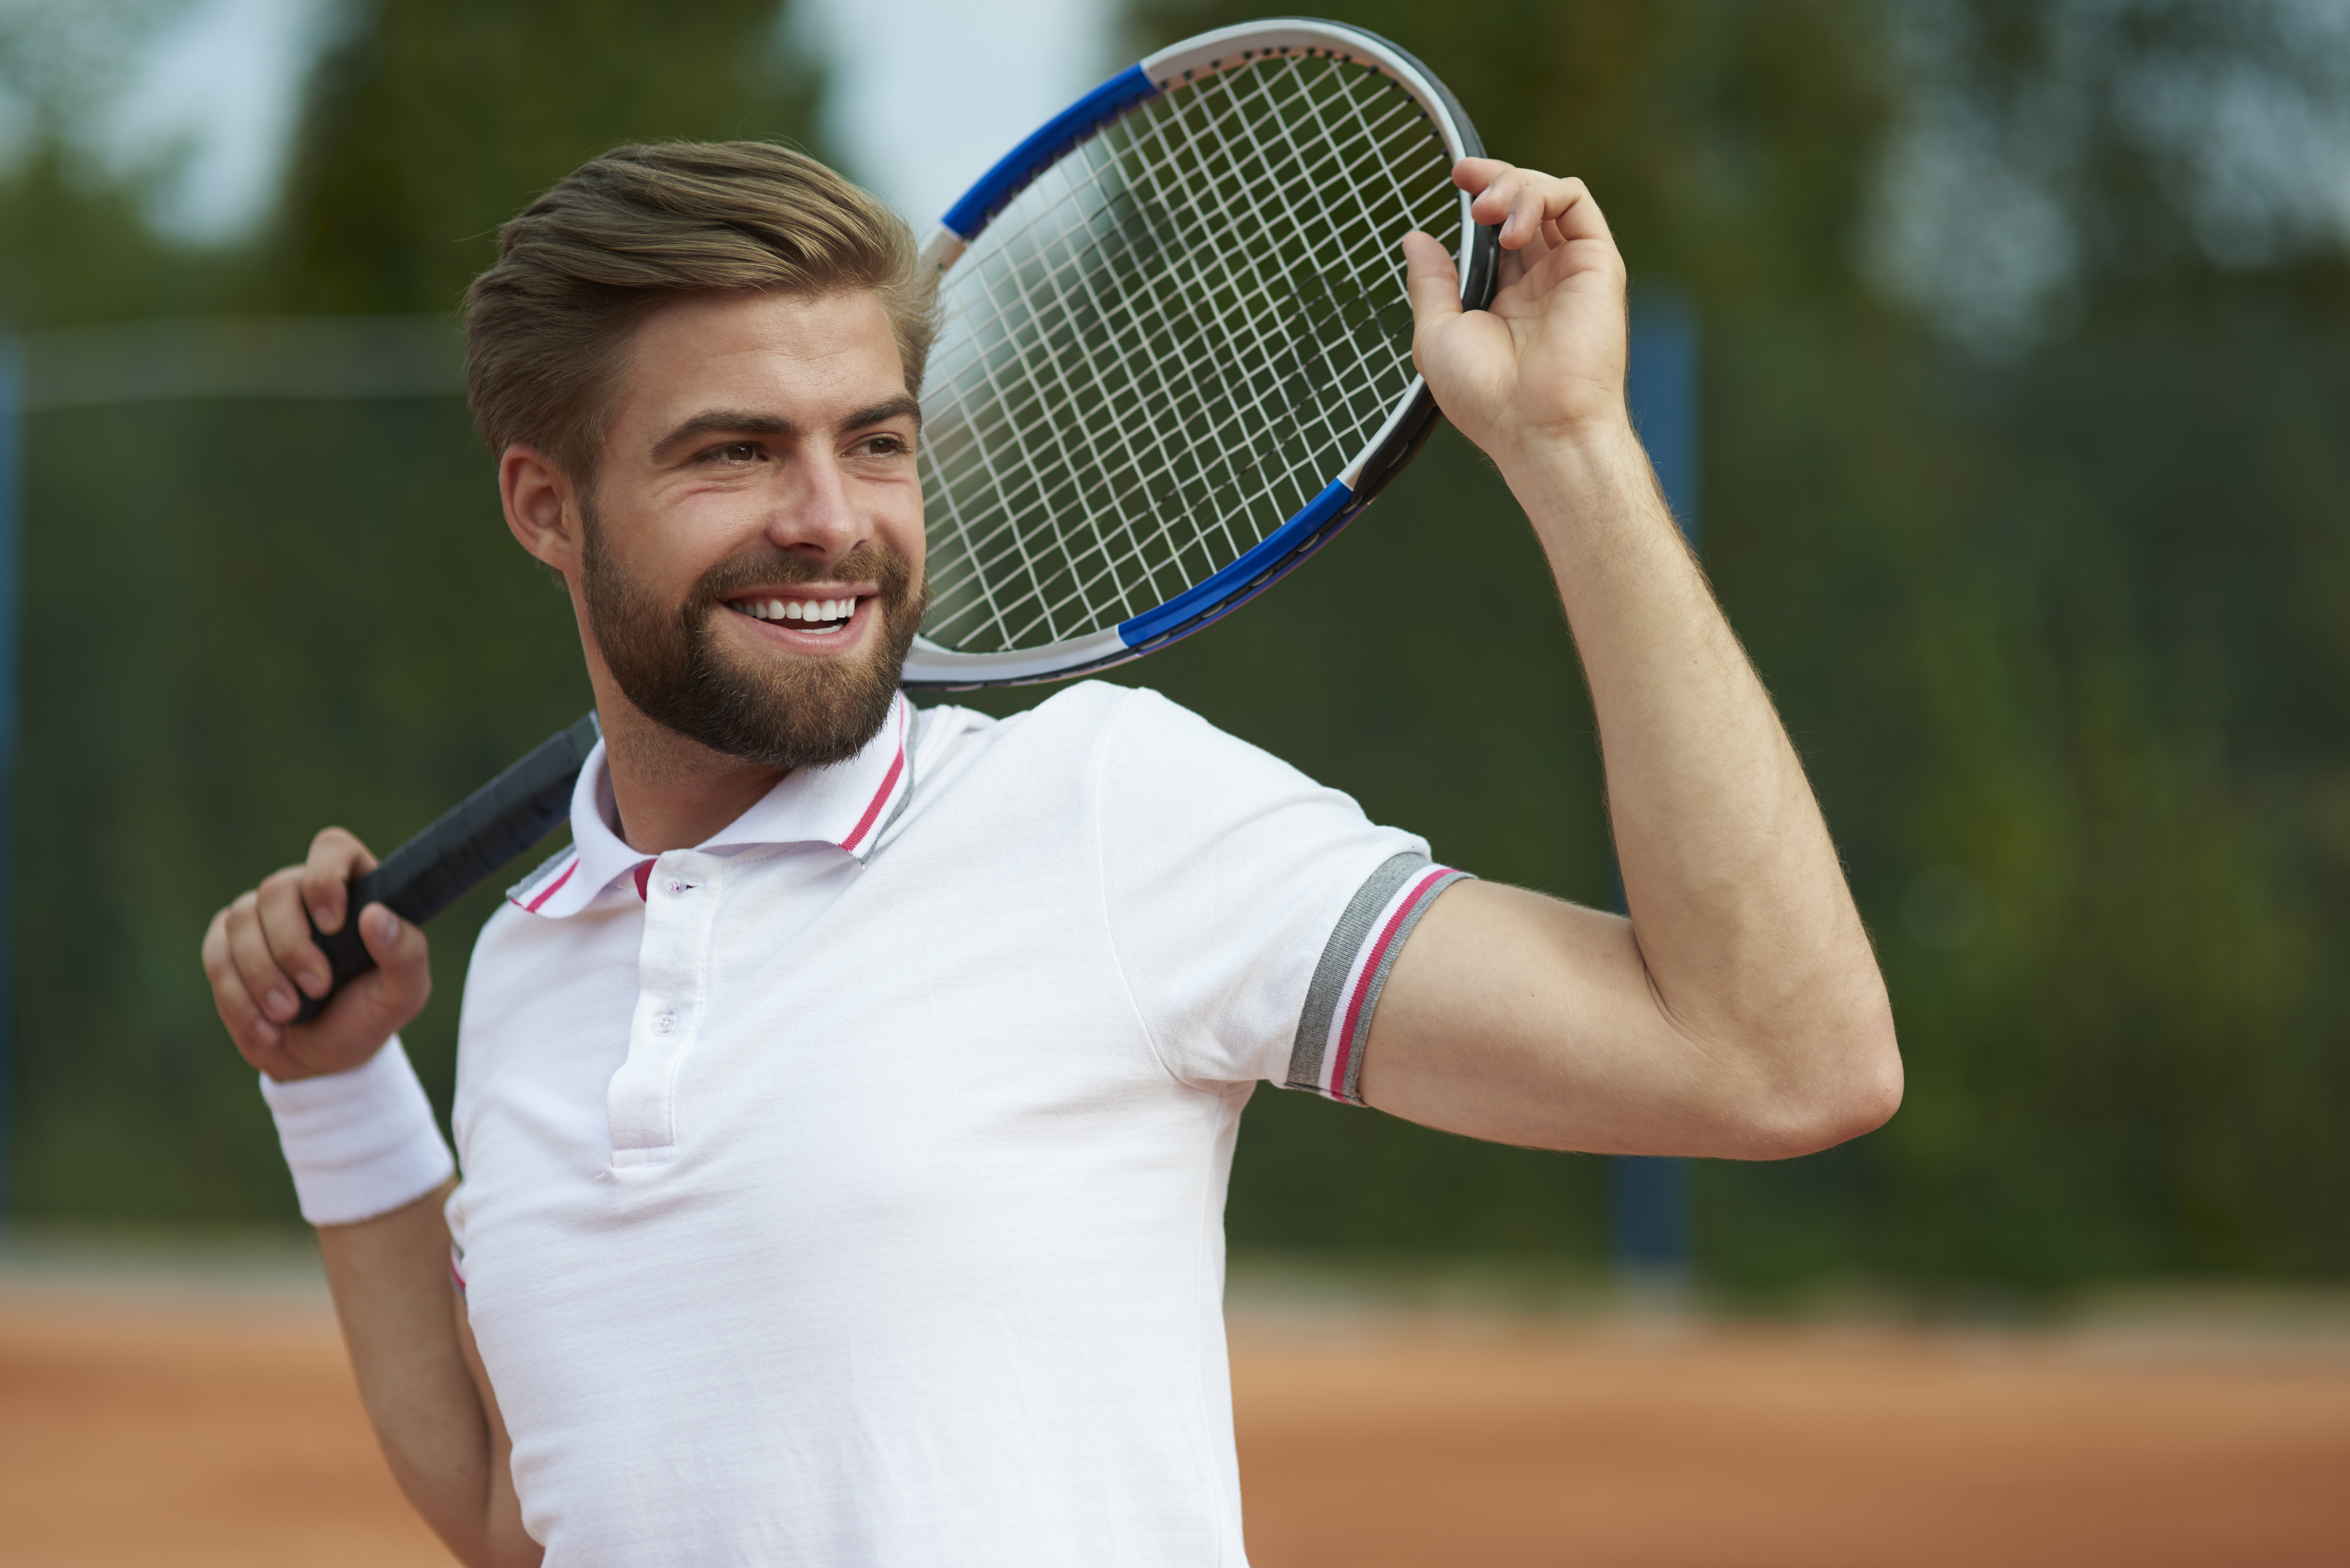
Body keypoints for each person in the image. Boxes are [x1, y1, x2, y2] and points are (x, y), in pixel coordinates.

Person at [200, 141, 1899, 1566]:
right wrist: (340, 1089)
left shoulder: (1104, 817)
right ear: (545, 506)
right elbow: (528, 1513)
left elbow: (1771, 1061)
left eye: (876, 439)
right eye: (733, 451)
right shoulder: (534, 955)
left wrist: (1574, 451)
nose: (829, 514)